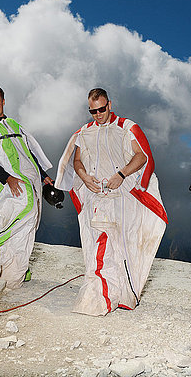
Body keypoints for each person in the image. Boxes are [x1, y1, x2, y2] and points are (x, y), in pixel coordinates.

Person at [54, 88, 167, 316]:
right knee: (97, 245)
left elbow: (142, 156)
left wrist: (121, 175)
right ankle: (98, 298)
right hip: (96, 196)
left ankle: (123, 296)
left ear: (110, 104)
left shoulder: (125, 128)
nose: (97, 114)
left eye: (101, 109)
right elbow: (77, 162)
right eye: (93, 110)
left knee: (124, 249)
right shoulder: (84, 133)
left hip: (123, 199)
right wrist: (85, 178)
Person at [0, 85, 53, 289]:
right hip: (11, 181)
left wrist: (43, 176)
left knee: (29, 224)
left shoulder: (14, 125)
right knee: (25, 212)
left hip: (32, 179)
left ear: (3, 101)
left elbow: (29, 154)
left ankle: (17, 270)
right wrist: (7, 178)